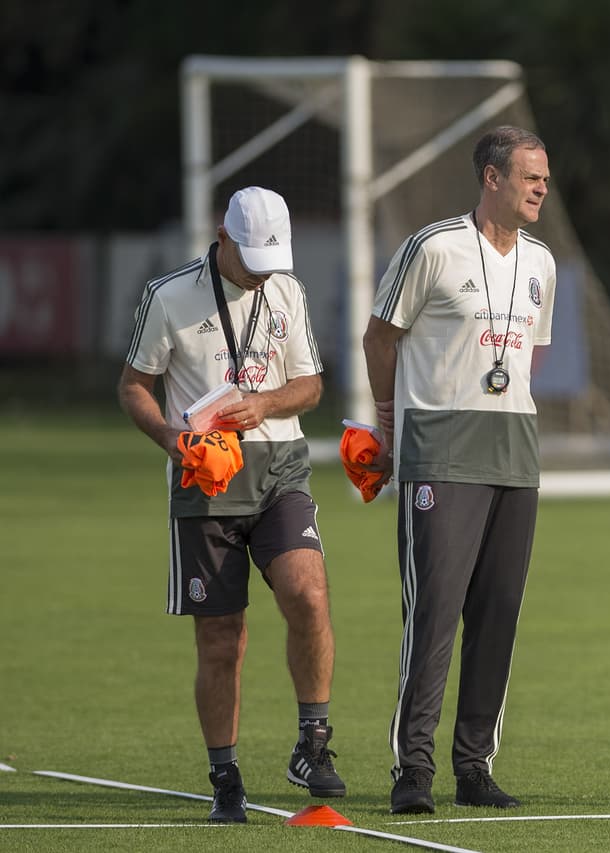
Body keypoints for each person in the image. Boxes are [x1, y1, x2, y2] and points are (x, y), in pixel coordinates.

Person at [118, 186, 345, 823]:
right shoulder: (168, 296)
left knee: (308, 593)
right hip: (206, 481)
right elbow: (134, 384)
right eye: (250, 256)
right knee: (223, 640)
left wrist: (266, 403)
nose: (262, 269)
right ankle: (225, 780)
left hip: (281, 471)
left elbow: (310, 384)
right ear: (221, 236)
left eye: (272, 256)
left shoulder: (288, 289)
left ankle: (313, 745)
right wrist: (169, 436)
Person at [362, 125, 556, 815]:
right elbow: (379, 336)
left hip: (515, 453)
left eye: (544, 176)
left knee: (499, 613)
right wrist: (390, 427)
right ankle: (412, 769)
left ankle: (474, 766)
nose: (542, 187)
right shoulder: (433, 247)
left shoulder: (541, 262)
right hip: (440, 449)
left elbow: (528, 357)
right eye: (531, 176)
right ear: (492, 177)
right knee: (435, 611)